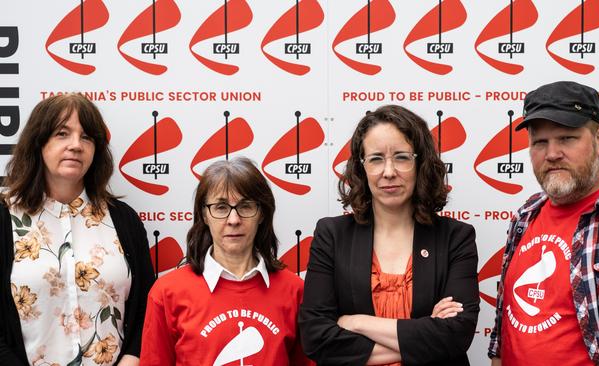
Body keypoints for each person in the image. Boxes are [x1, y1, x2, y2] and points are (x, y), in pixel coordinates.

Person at [299, 105, 480, 365]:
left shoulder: (456, 238)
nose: (388, 171)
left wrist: (357, 322)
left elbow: (456, 336)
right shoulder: (332, 235)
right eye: (375, 159)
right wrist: (427, 338)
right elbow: (317, 338)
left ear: (421, 163)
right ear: (361, 169)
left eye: (402, 157)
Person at [488, 81, 599, 365]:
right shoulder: (525, 215)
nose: (552, 153)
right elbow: (505, 327)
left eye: (566, 138)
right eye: (540, 142)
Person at [0, 94, 155, 366]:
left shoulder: (123, 220)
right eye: (62, 133)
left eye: (86, 137)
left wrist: (132, 358)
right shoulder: (5, 217)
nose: (76, 145)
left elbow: (146, 304)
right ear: (39, 143)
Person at [140, 157, 311, 365]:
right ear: (204, 215)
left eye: (245, 206)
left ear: (262, 214)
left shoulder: (295, 291)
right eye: (221, 207)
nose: (233, 220)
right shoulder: (167, 293)